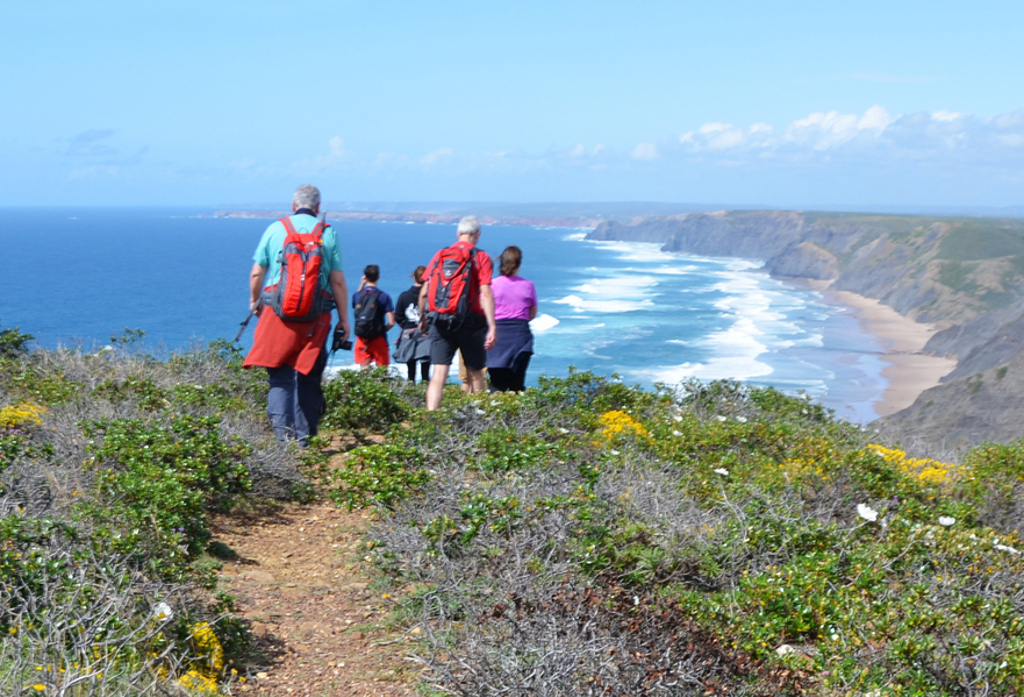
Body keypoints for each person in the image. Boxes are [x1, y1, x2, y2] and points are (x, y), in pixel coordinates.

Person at [243, 184, 349, 445]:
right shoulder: (327, 233)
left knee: (280, 376)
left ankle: (284, 441)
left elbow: (257, 273)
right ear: (318, 207)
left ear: (293, 205)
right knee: (309, 375)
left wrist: (255, 301)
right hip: (316, 317)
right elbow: (337, 281)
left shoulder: (276, 229)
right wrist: (345, 319)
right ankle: (306, 440)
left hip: (277, 313)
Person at [418, 216, 496, 410]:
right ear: (477, 234)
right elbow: (485, 293)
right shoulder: (481, 257)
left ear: (458, 234)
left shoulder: (441, 254)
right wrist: (493, 326)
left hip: (441, 321)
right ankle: (480, 419)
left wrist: (423, 318)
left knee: (439, 374)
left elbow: (424, 292)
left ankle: (430, 419)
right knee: (476, 373)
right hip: (471, 323)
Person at [486, 246, 537, 392]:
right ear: (519, 263)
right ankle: (519, 415)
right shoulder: (528, 285)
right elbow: (531, 313)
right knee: (517, 384)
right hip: (520, 336)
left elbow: (483, 309)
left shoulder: (491, 285)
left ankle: (493, 414)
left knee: (496, 384)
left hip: (497, 336)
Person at [393, 265, 432, 382]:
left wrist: (405, 327)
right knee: (426, 367)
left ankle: (411, 392)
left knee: (411, 366)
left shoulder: (404, 296)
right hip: (426, 332)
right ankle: (426, 392)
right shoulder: (430, 296)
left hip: (408, 331)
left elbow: (398, 316)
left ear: (414, 277)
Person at [352, 265, 395, 367]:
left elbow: (355, 302)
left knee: (364, 373)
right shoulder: (384, 296)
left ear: (365, 277)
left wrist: (362, 285)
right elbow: (391, 322)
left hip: (362, 338)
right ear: (378, 277)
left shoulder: (357, 295)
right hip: (378, 337)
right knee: (382, 371)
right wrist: (382, 330)